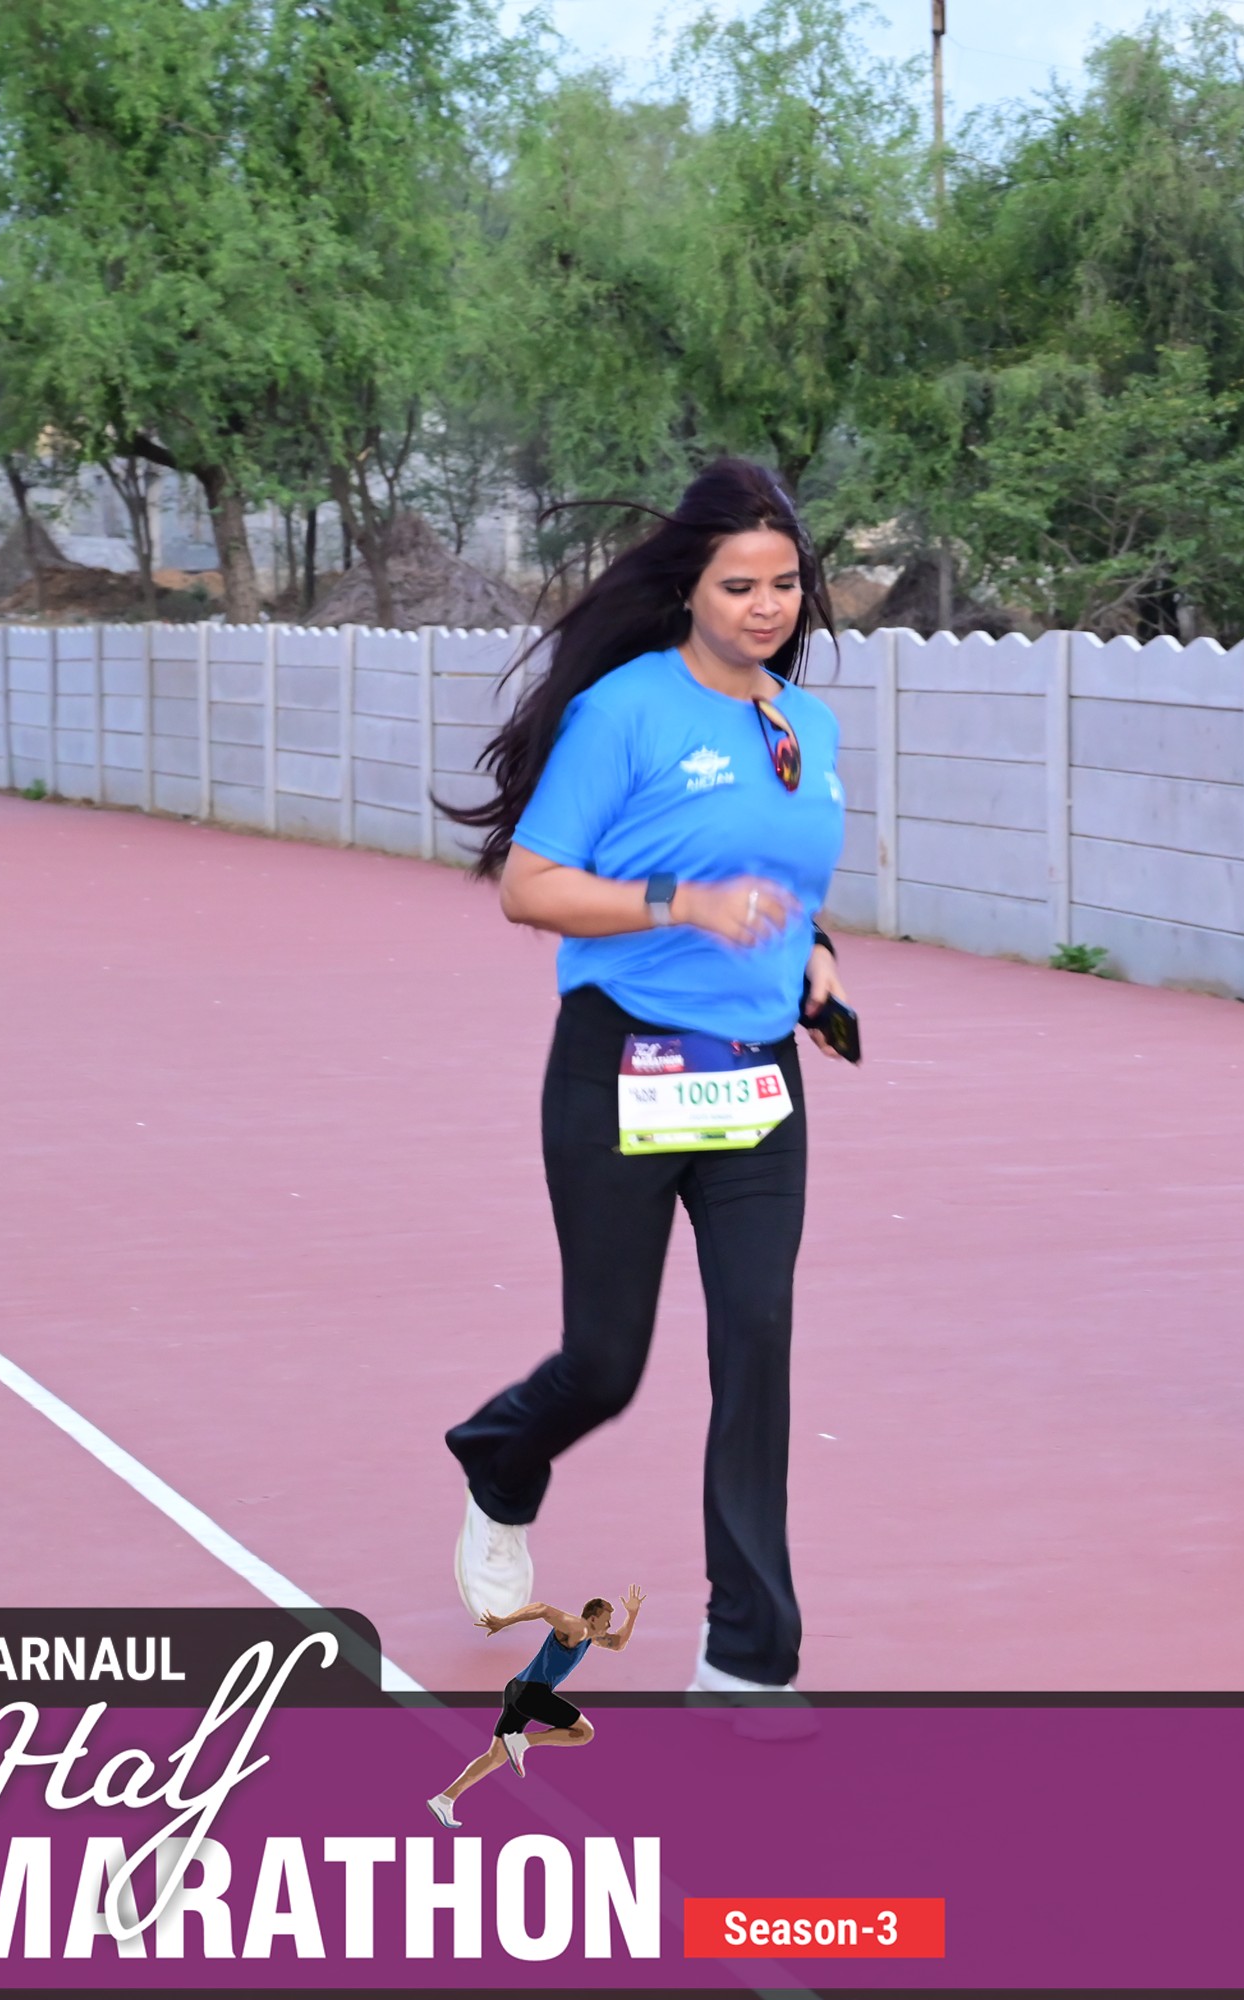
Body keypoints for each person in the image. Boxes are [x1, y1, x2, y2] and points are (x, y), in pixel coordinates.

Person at [438, 458, 851, 1696]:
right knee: (606, 1362)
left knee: (757, 1339)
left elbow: (786, 882)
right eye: (739, 586)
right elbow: (529, 887)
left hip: (756, 1078)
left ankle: (750, 1651)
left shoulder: (806, 724)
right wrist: (682, 901)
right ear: (688, 589)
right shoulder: (623, 711)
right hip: (624, 1062)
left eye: (784, 584)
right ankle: (502, 1458)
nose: (766, 606)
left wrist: (813, 954)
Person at [427, 1588, 642, 1825]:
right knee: (584, 1732)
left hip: (517, 1690)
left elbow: (618, 1643)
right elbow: (542, 1608)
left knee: (495, 1756)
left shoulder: (590, 1637)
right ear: (593, 1618)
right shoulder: (578, 1628)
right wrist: (505, 1621)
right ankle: (522, 1742)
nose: (609, 1625)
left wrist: (632, 1614)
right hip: (532, 1693)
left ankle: (444, 1799)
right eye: (607, 1620)